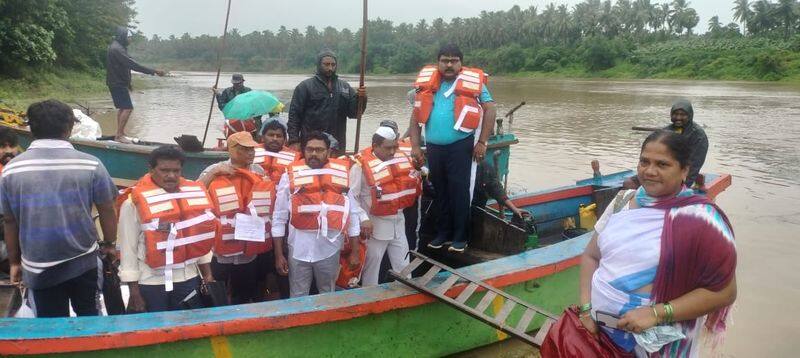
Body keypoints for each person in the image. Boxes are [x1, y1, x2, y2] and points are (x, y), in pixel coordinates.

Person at [560, 130, 736, 356]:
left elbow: (725, 292)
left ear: (684, 170)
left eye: (662, 164)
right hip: (600, 332)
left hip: (659, 345)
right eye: (644, 161)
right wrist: (585, 310)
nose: (650, 171)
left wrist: (657, 313)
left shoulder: (703, 219)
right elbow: (591, 256)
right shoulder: (622, 200)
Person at [0, 100, 117, 317]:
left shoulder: (11, 170)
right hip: (83, 261)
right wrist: (110, 244)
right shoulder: (91, 164)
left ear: (31, 128)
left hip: (38, 266)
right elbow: (108, 208)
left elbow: (10, 221)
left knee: (50, 323)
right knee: (89, 317)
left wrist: (15, 261)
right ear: (69, 128)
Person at [408, 44, 497, 252]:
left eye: (453, 60)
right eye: (445, 60)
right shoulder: (426, 85)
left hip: (461, 145)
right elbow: (415, 117)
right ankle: (442, 233)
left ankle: (460, 236)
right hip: (434, 147)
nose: (449, 64)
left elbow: (490, 109)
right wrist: (415, 146)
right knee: (440, 191)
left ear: (460, 63)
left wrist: (482, 142)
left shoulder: (475, 84)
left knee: (459, 190)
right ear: (438, 62)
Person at [118, 146, 216, 312]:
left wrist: (207, 274)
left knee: (187, 330)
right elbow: (128, 251)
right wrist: (134, 292)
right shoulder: (131, 204)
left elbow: (196, 238)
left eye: (176, 170)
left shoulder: (192, 196)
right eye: (164, 170)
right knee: (153, 331)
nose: (171, 176)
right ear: (151, 169)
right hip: (150, 282)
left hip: (188, 277)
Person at [271, 131, 361, 297]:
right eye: (309, 149)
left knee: (328, 293)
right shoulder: (289, 176)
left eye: (319, 150)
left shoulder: (341, 176)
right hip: (298, 249)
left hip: (329, 249)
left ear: (328, 152)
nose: (313, 153)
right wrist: (278, 254)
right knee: (298, 295)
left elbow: (353, 214)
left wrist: (355, 251)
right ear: (303, 151)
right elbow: (279, 216)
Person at [198, 131, 275, 304]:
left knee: (246, 288)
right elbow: (196, 193)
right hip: (222, 244)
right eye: (245, 149)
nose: (251, 153)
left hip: (248, 242)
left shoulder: (258, 170)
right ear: (232, 150)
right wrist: (215, 174)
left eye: (252, 149)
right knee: (218, 287)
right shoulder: (214, 170)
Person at [350, 126, 419, 286]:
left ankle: (405, 296)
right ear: (375, 145)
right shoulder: (359, 166)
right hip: (374, 228)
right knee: (371, 269)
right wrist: (363, 218)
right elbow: (351, 197)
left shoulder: (400, 160)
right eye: (388, 148)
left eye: (395, 147)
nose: (392, 152)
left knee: (404, 266)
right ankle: (369, 298)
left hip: (398, 223)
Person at [287, 50, 367, 152]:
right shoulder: (305, 87)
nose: (330, 68)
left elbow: (354, 114)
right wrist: (294, 141)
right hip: (311, 145)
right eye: (326, 64)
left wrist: (361, 98)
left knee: (336, 166)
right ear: (319, 65)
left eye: (333, 65)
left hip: (337, 144)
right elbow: (294, 116)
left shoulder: (344, 87)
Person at [106, 26, 166, 143]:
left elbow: (123, 67)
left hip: (117, 82)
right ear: (122, 37)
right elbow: (133, 65)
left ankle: (120, 133)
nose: (130, 40)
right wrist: (154, 71)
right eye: (129, 37)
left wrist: (128, 83)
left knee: (123, 108)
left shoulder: (117, 48)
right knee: (128, 108)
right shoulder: (117, 49)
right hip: (117, 83)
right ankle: (119, 135)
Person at [665, 99, 707, 188]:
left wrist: (682, 186)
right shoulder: (666, 130)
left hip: (684, 172)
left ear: (690, 116)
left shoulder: (698, 135)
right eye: (675, 114)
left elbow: (695, 164)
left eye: (682, 115)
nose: (678, 117)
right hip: (666, 169)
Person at [254, 119, 300, 183]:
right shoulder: (251, 152)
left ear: (285, 140)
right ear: (263, 137)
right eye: (271, 135)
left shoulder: (295, 156)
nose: (275, 139)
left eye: (279, 136)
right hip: (255, 190)